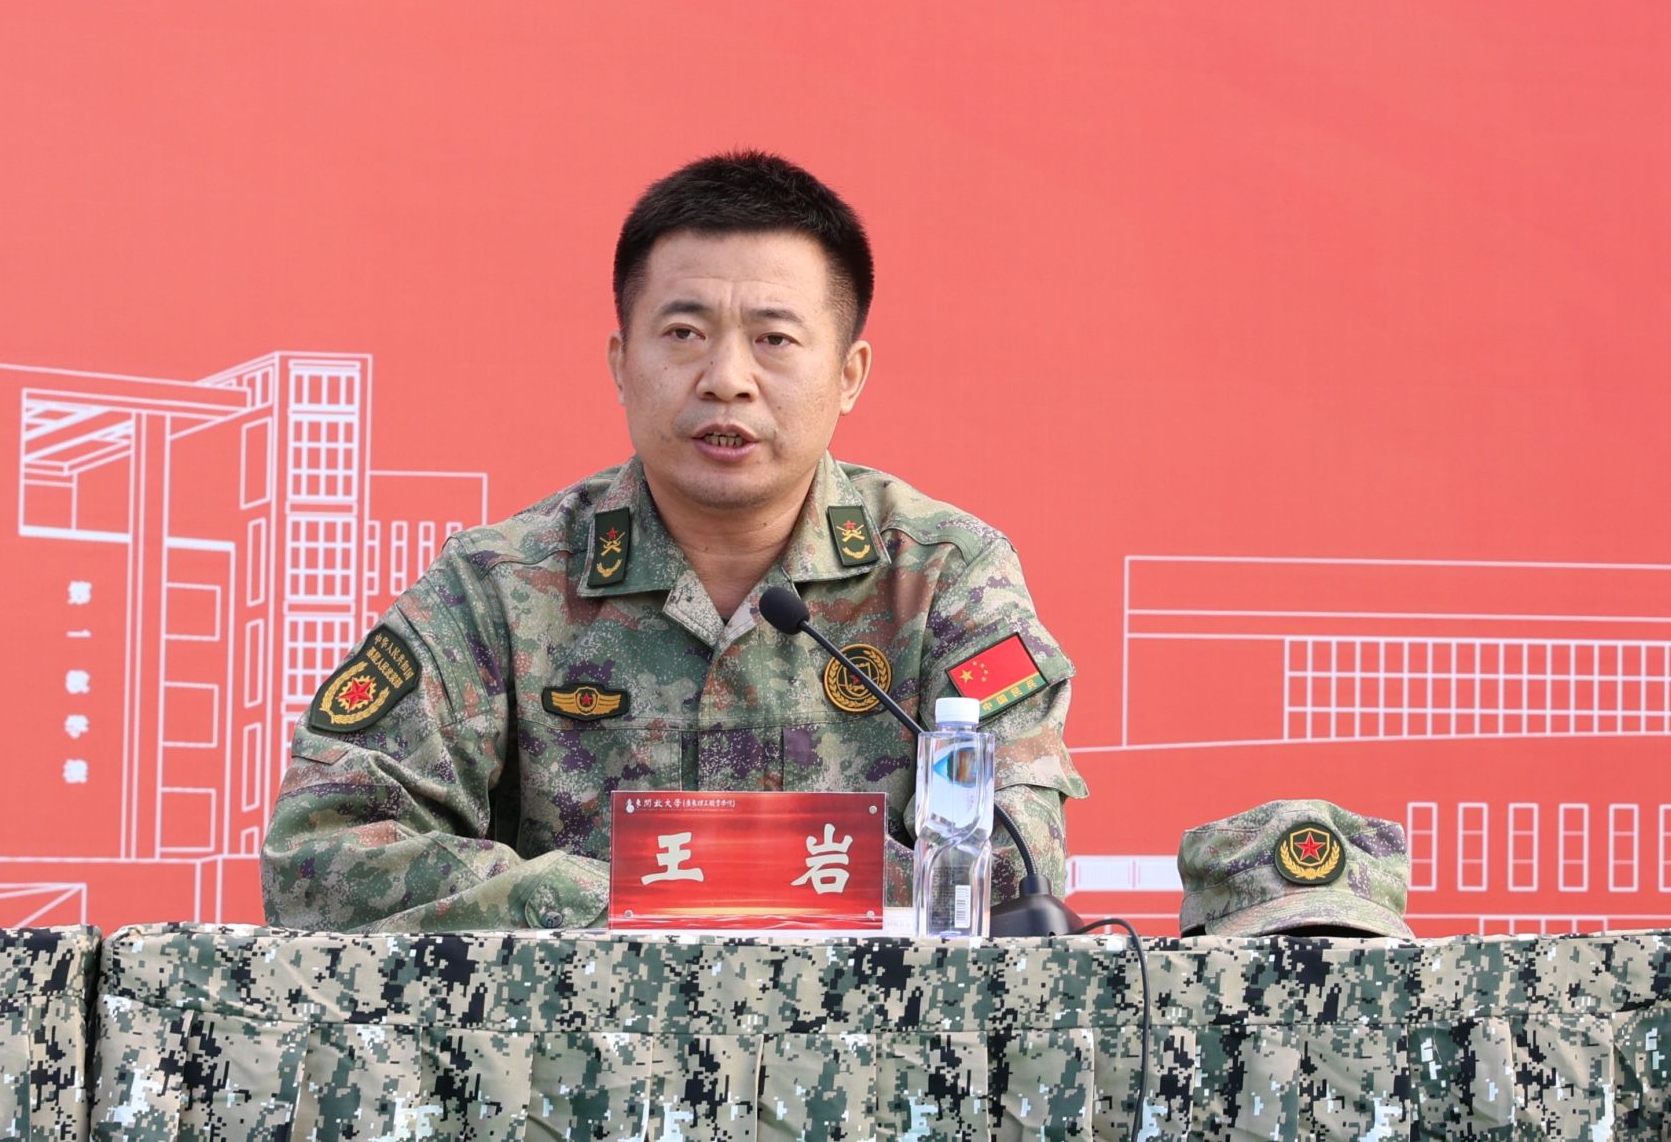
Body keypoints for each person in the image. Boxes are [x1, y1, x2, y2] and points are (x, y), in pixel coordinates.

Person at [262, 151, 1087, 931]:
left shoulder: (942, 578)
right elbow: (321, 855)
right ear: (622, 363)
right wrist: (600, 903)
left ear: (848, 375)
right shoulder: (500, 586)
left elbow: (1013, 873)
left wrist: (692, 890)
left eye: (774, 339)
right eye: (685, 333)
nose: (726, 378)